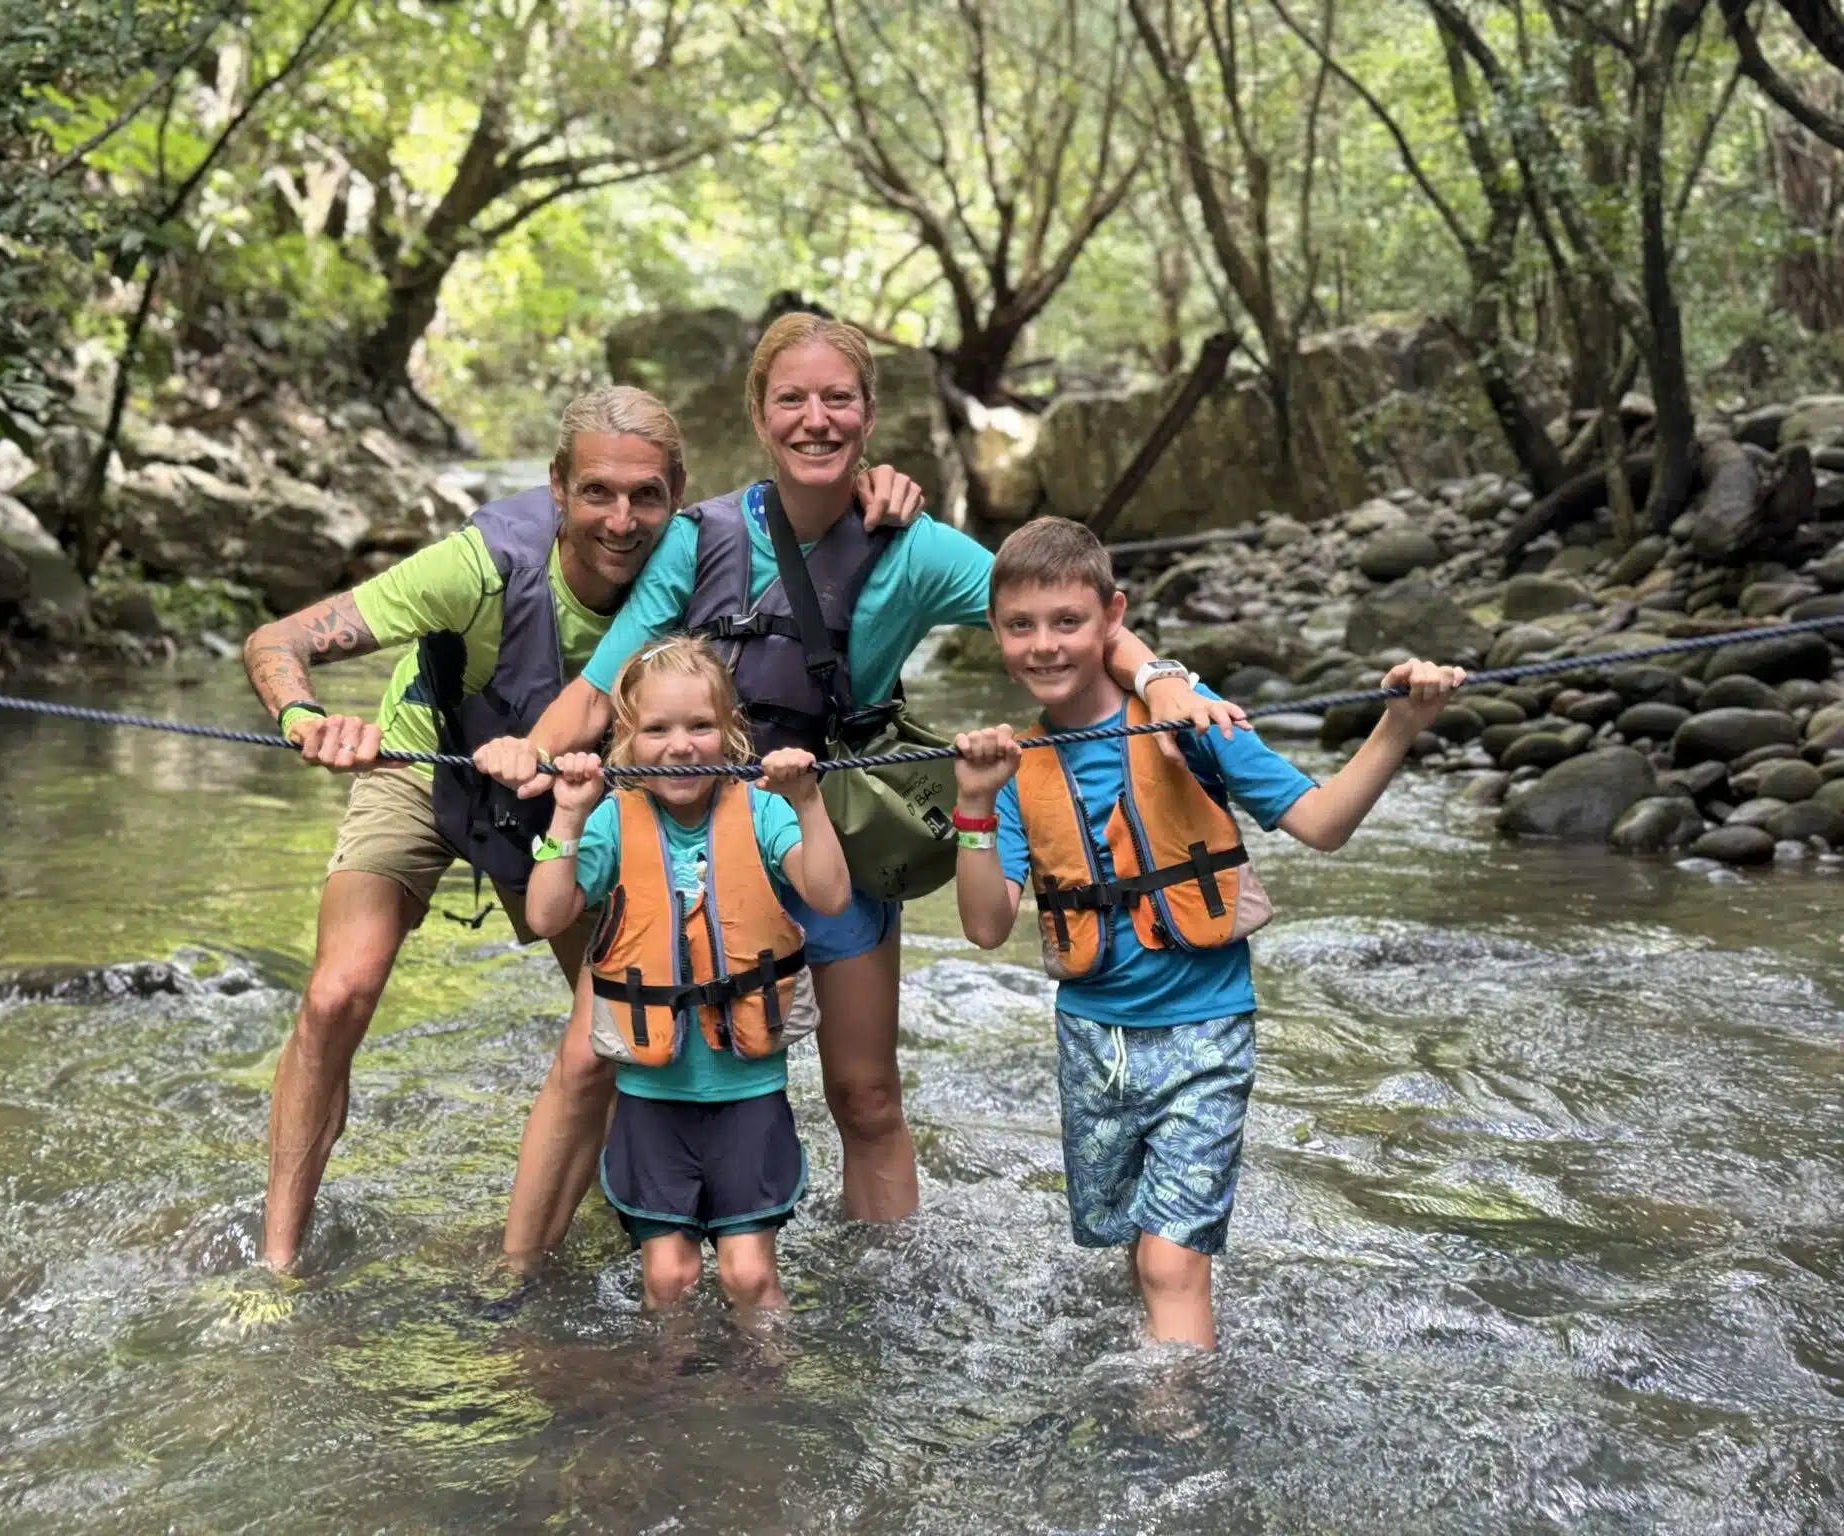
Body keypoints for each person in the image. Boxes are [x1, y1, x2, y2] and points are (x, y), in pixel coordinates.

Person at [477, 314, 1245, 1243]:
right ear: (759, 419)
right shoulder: (695, 540)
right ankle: (522, 1276)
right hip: (687, 841)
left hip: (824, 832)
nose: (816, 419)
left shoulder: (914, 545)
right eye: (791, 400)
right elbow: (600, 695)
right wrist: (528, 749)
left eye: (837, 398)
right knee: (595, 1061)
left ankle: (885, 1299)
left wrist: (1159, 675)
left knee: (866, 1095)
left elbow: (1060, 610)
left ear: (870, 413)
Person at [240, 384, 925, 1272]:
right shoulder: (476, 564)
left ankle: (565, 1255)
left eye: (647, 495)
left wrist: (878, 485)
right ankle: (277, 1262)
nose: (621, 519)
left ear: (678, 494)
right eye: (597, 492)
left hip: (578, 797)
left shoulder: (699, 558)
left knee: (611, 1037)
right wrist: (306, 720)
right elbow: (276, 641)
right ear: (558, 486)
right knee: (338, 994)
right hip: (425, 769)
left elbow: (803, 505)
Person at [948, 516, 1464, 1349]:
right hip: (1095, 1043)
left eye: (1068, 622)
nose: (1044, 646)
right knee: (1132, 1246)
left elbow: (1323, 824)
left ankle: (1176, 1450)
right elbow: (982, 925)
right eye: (1020, 626)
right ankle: (1153, 1381)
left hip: (1207, 1030)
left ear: (1113, 617)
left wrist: (1399, 725)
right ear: (996, 632)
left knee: (1169, 1264)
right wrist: (973, 802)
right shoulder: (1016, 770)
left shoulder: (1194, 724)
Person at [523, 637, 850, 1314]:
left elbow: (829, 896)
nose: (681, 746)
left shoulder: (761, 811)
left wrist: (808, 802)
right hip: (651, 1095)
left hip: (747, 1090)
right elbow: (547, 914)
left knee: (748, 1276)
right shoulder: (614, 820)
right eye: (658, 729)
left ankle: (764, 1399)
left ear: (730, 734)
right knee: (669, 1278)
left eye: (700, 726)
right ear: (627, 742)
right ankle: (670, 1406)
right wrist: (567, 813)